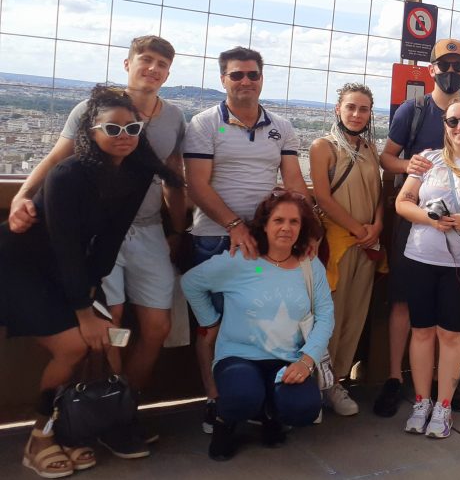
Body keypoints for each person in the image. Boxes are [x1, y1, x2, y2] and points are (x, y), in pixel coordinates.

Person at [7, 36, 187, 452]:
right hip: (64, 248)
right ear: (128, 63)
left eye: (162, 63)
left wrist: (177, 229)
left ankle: (118, 411)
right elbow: (56, 163)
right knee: (104, 327)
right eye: (146, 60)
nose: (153, 69)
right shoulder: (85, 134)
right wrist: (20, 197)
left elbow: (171, 180)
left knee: (147, 328)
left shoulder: (163, 133)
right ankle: (90, 418)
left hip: (133, 236)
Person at [183, 46, 309, 433]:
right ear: (223, 79)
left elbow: (293, 183)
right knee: (214, 327)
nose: (245, 81)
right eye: (236, 75)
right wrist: (234, 224)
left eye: (252, 74)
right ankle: (215, 400)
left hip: (266, 242)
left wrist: (309, 229)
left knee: (258, 324)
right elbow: (197, 185)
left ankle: (249, 399)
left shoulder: (280, 126)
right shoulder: (205, 124)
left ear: (261, 78)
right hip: (216, 238)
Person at [182, 188, 332, 461]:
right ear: (264, 224)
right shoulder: (241, 261)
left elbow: (325, 316)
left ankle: (270, 416)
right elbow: (190, 283)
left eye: (294, 222)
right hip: (240, 356)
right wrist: (210, 321)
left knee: (304, 408)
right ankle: (225, 421)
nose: (286, 228)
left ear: (302, 227)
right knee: (241, 396)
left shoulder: (311, 267)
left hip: (288, 359)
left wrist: (306, 361)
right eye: (278, 221)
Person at [394, 97, 460, 438]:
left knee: (451, 335)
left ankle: (443, 406)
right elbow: (402, 203)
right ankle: (421, 401)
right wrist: (429, 217)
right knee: (422, 331)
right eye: (452, 121)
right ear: (445, 126)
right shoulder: (429, 160)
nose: (459, 127)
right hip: (420, 257)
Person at [376, 38, 460, 417]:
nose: (450, 72)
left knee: (449, 311)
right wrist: (409, 167)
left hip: (459, 227)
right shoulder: (412, 110)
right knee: (404, 301)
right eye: (443, 65)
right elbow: (387, 157)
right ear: (431, 69)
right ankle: (394, 378)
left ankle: (441, 383)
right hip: (415, 218)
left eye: (457, 66)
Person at [309, 83, 385, 416]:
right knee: (330, 317)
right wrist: (358, 229)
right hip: (338, 244)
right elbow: (323, 198)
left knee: (355, 316)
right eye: (351, 107)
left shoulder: (370, 148)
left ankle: (336, 382)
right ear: (337, 108)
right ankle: (315, 384)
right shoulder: (323, 146)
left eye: (363, 109)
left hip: (367, 245)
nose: (356, 114)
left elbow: (380, 194)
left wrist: (377, 227)